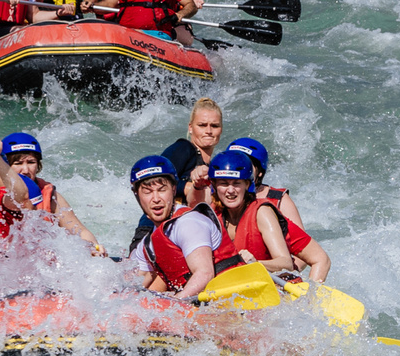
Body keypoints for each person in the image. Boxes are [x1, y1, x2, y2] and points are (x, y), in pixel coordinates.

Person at [0, 131, 105, 256]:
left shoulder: (49, 194)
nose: (25, 170)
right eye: (17, 163)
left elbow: (79, 231)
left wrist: (94, 247)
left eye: (31, 162)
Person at [202, 149, 329, 280]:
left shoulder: (262, 212)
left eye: (237, 183)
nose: (230, 190)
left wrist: (255, 264)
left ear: (247, 185)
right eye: (223, 183)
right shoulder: (211, 215)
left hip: (274, 291)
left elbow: (287, 263)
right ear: (214, 185)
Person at [124, 154, 225, 300]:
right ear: (137, 196)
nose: (156, 199)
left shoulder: (188, 222)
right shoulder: (147, 244)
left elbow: (204, 273)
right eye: (147, 192)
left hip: (228, 300)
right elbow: (132, 285)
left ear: (173, 189)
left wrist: (175, 303)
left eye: (162, 190)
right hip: (195, 306)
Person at [224, 136, 303, 228]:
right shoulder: (219, 194)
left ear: (260, 172)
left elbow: (301, 240)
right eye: (235, 162)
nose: (240, 168)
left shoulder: (279, 200)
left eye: (247, 163)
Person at [158, 98, 223, 206]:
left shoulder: (213, 166)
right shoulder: (183, 148)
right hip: (156, 221)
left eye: (215, 126)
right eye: (202, 125)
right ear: (191, 128)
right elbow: (156, 179)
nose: (208, 131)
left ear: (221, 129)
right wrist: (189, 187)